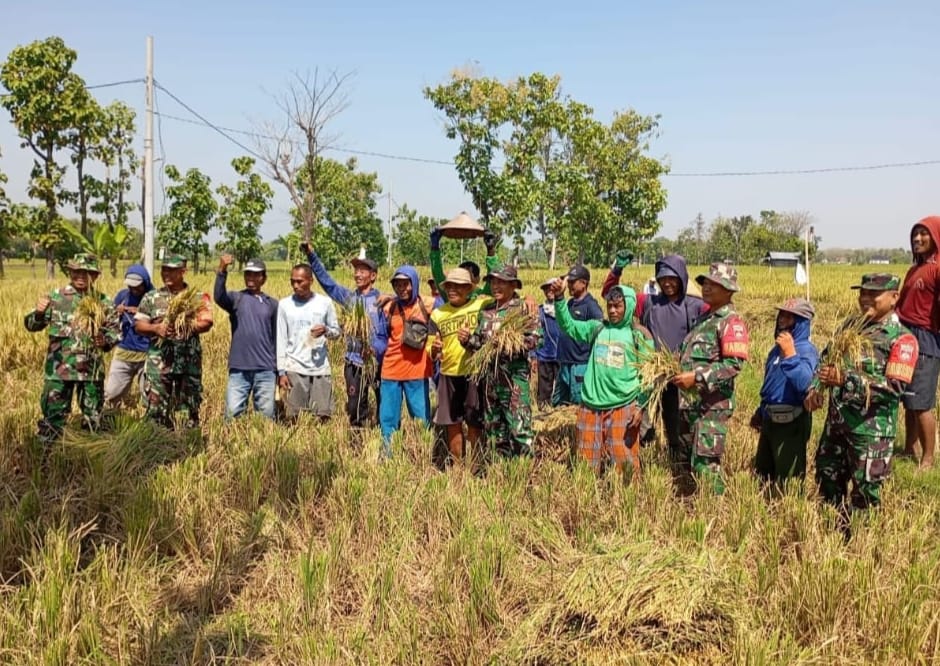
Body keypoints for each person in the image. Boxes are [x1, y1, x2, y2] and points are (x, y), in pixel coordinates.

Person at [805, 274, 918, 517]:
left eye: (873, 294)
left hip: (869, 435)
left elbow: (893, 387)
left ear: (894, 297)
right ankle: (828, 541)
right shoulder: (850, 327)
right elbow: (827, 359)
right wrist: (816, 387)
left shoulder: (902, 339)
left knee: (864, 499)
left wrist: (846, 380)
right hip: (835, 428)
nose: (865, 299)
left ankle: (856, 548)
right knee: (827, 485)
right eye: (862, 293)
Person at [549, 279, 653, 477]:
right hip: (591, 405)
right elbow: (568, 326)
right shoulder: (597, 329)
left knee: (625, 463)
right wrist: (560, 299)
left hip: (623, 406)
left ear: (629, 306)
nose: (612, 311)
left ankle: (626, 502)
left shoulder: (639, 336)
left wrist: (640, 406)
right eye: (610, 306)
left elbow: (649, 377)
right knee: (586, 462)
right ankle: (588, 499)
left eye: (618, 306)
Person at [604, 252, 707, 450]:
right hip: (650, 376)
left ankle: (678, 465)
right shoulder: (648, 302)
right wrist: (617, 269)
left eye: (672, 278)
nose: (667, 283)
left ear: (682, 278)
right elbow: (611, 294)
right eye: (663, 279)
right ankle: (637, 463)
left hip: (678, 377)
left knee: (677, 426)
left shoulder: (693, 305)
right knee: (642, 423)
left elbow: (721, 311)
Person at [671, 263, 749, 494]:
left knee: (705, 465)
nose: (706, 288)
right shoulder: (704, 319)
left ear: (728, 290)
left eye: (714, 285)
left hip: (710, 410)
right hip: (689, 404)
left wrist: (696, 377)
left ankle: (711, 513)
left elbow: (734, 365)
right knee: (686, 462)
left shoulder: (731, 322)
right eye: (705, 283)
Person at [25, 253, 118, 441]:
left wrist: (105, 340)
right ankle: (47, 461)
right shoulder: (55, 298)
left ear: (96, 275)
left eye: (86, 272)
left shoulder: (104, 302)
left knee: (93, 421)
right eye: (76, 272)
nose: (81, 276)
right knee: (52, 421)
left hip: (90, 372)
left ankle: (89, 458)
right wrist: (39, 312)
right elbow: (31, 325)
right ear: (70, 272)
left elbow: (115, 332)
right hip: (59, 372)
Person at [302, 243, 387, 429]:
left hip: (377, 364)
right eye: (356, 270)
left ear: (373, 276)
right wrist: (311, 256)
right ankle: (357, 440)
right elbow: (328, 283)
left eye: (363, 270)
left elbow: (386, 335)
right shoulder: (349, 298)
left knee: (384, 403)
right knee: (355, 405)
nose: (357, 274)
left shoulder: (381, 301)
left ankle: (383, 439)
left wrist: (375, 350)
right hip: (354, 362)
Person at [462, 266, 540, 459]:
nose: (495, 286)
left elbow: (536, 339)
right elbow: (480, 344)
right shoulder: (486, 311)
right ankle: (500, 474)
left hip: (513, 381)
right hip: (490, 381)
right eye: (493, 282)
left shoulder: (523, 308)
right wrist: (467, 340)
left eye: (501, 282)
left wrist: (509, 343)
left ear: (513, 285)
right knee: (495, 430)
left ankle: (522, 474)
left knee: (519, 428)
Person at [135, 254, 214, 429]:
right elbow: (139, 325)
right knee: (156, 409)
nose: (167, 274)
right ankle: (158, 444)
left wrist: (187, 327)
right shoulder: (151, 297)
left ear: (183, 271)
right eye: (164, 270)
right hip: (159, 364)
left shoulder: (197, 297)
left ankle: (187, 446)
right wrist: (156, 329)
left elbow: (207, 321)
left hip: (188, 363)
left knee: (188, 410)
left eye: (172, 270)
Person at [750, 298, 819, 484]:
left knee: (789, 481)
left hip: (791, 423)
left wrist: (790, 355)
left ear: (802, 323)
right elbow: (771, 385)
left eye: (790, 317)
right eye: (781, 315)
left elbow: (804, 383)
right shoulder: (775, 351)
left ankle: (789, 510)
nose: (782, 320)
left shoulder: (806, 351)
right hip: (770, 420)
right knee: (763, 476)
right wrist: (760, 411)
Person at [427, 267, 488, 463]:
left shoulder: (482, 305)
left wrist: (528, 298)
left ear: (469, 288)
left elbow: (508, 299)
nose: (453, 290)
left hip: (475, 373)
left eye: (459, 286)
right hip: (448, 374)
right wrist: (435, 349)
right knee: (452, 424)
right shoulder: (438, 314)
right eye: (450, 286)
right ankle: (458, 469)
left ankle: (476, 467)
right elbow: (430, 350)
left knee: (474, 423)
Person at [896, 216, 940, 468]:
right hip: (906, 337)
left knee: (921, 403)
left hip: (926, 340)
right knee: (908, 400)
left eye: (924, 233)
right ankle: (908, 450)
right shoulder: (914, 269)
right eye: (915, 234)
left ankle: (928, 459)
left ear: (936, 237)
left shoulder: (937, 268)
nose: (917, 238)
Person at [214, 254, 278, 420]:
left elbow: (277, 336)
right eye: (248, 274)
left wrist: (280, 369)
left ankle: (262, 445)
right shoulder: (236, 298)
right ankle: (231, 444)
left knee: (265, 416)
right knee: (232, 413)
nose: (251, 278)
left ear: (263, 278)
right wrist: (222, 270)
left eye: (256, 274)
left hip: (266, 368)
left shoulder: (272, 304)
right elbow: (219, 297)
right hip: (239, 368)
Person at [379, 265, 435, 451]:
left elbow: (460, 300)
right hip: (391, 371)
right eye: (397, 285)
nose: (402, 288)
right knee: (388, 419)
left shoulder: (427, 304)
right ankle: (388, 457)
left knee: (421, 419)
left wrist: (526, 298)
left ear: (415, 283)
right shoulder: (389, 307)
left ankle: (423, 456)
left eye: (406, 284)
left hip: (417, 372)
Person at [276, 263, 341, 421]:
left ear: (311, 281)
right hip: (294, 367)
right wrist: (281, 372)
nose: (295, 286)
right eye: (293, 282)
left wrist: (325, 330)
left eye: (300, 282)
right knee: (293, 417)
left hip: (319, 368)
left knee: (322, 416)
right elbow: (281, 338)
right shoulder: (284, 305)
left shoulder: (324, 303)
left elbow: (336, 332)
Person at [553, 265, 604, 406]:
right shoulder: (569, 303)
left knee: (578, 404)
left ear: (584, 283)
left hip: (580, 364)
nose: (569, 285)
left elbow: (599, 332)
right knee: (558, 403)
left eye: (572, 282)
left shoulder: (591, 306)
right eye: (568, 282)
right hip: (565, 362)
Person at [104, 264, 154, 406]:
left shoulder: (155, 297)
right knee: (112, 393)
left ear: (145, 282)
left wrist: (141, 311)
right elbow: (109, 322)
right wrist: (116, 312)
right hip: (124, 351)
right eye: (131, 286)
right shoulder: (122, 296)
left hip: (148, 353)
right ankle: (109, 417)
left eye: (138, 286)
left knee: (149, 395)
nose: (134, 290)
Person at [429, 227, 502, 303]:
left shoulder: (481, 298)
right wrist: (435, 247)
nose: (462, 280)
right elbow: (437, 275)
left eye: (468, 275)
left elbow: (494, 276)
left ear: (477, 279)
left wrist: (491, 250)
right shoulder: (451, 295)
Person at [532, 278, 562, 409]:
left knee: (562, 389)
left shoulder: (566, 309)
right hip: (544, 355)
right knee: (544, 389)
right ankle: (543, 412)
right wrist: (533, 355)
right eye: (546, 289)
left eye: (552, 288)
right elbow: (533, 334)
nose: (549, 291)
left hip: (562, 355)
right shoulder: (539, 311)